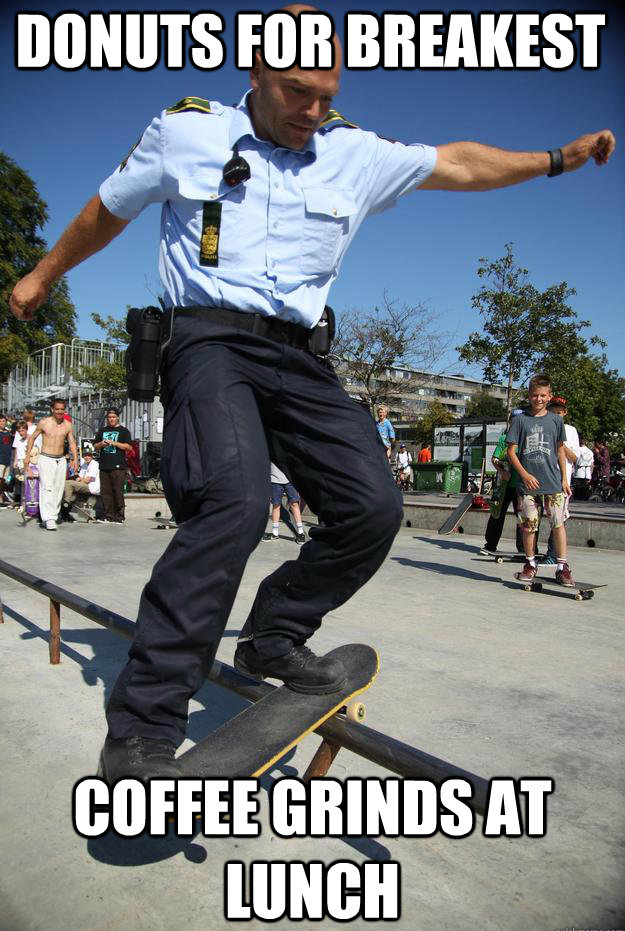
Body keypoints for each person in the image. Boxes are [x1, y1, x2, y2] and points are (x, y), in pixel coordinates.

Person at [9, 3, 614, 782]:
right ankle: (142, 726)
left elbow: (458, 163)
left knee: (373, 506)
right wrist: (42, 275)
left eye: (327, 94)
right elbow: (106, 211)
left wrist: (556, 159)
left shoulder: (351, 151)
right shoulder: (186, 131)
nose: (314, 111)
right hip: (208, 342)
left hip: (300, 357)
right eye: (298, 92)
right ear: (254, 72)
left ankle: (274, 634)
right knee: (234, 502)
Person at [507, 374, 574, 586]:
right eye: (535, 395)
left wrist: (564, 478)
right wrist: (524, 475)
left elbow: (560, 450)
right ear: (529, 395)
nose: (539, 399)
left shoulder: (556, 420)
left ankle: (562, 567)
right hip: (527, 485)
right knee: (529, 526)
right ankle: (530, 563)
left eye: (543, 395)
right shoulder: (520, 420)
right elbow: (511, 452)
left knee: (558, 523)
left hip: (553, 482)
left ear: (550, 396)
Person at [23, 399, 78, 531]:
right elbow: (32, 438)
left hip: (61, 459)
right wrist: (27, 456)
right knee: (47, 488)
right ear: (52, 410)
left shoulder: (68, 425)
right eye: (57, 409)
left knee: (58, 489)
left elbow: (71, 442)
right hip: (46, 458)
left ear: (64, 410)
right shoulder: (44, 422)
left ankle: (53, 514)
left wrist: (75, 458)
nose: (59, 411)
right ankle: (48, 518)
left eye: (62, 409)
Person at [482, 409, 525, 555]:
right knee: (497, 513)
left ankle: (524, 548)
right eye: (514, 420)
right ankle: (490, 544)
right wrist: (502, 471)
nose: (516, 423)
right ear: (510, 421)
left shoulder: (526, 438)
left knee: (523, 516)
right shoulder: (504, 439)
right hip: (504, 485)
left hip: (521, 485)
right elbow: (494, 459)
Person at [543, 397, 580, 564]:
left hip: (561, 480)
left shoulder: (570, 431)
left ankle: (554, 554)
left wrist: (560, 442)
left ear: (565, 413)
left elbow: (574, 457)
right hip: (544, 476)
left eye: (559, 412)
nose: (556, 415)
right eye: (553, 412)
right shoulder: (544, 426)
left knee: (558, 518)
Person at [93, 408, 132, 524]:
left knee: (117, 491)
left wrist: (114, 443)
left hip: (118, 466)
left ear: (118, 417)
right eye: (109, 417)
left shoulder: (124, 431)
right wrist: (101, 444)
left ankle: (119, 517)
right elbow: (95, 446)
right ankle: (108, 516)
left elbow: (128, 447)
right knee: (106, 492)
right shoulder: (102, 430)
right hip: (104, 465)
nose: (111, 419)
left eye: (113, 417)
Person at [263, 462, 306, 543]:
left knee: (294, 504)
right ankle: (275, 534)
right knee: (276, 506)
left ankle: (301, 533)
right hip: (274, 480)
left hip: (290, 480)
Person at [63, 450, 101, 516]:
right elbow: (80, 477)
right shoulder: (84, 464)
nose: (86, 457)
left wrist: (78, 481)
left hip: (92, 487)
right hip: (86, 485)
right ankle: (66, 505)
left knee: (68, 483)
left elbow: (88, 480)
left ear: (92, 456)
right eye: (85, 456)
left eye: (88, 455)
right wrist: (79, 480)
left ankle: (66, 503)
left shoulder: (94, 464)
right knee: (67, 483)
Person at [0, 414, 13, 507]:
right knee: (0, 480)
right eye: (0, 421)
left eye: (3, 421)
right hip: (0, 461)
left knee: (5, 480)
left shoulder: (8, 433)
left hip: (7, 460)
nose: (2, 423)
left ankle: (1, 496)